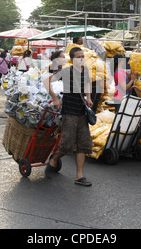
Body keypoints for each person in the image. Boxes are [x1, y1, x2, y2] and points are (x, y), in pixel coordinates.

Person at [44, 47, 93, 186]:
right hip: (69, 113)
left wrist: (88, 97)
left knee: (83, 144)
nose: (81, 59)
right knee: (67, 144)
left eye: (83, 56)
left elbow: (88, 84)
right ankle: (53, 160)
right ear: (72, 60)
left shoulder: (86, 71)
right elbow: (46, 82)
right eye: (78, 57)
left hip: (82, 113)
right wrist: (55, 99)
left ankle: (79, 176)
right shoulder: (66, 72)